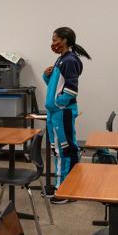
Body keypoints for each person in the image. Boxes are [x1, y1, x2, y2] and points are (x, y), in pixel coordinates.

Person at [42, 26, 92, 202]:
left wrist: (57, 104)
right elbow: (56, 87)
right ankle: (60, 186)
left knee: (66, 150)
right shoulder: (61, 60)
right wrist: (46, 76)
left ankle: (67, 190)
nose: (53, 43)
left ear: (65, 40)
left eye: (55, 39)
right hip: (55, 113)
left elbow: (71, 89)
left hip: (62, 113)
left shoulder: (70, 60)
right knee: (59, 150)